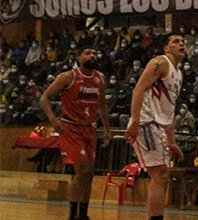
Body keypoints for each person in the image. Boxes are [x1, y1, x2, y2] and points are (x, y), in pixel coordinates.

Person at [40, 48, 112, 220]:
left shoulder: (100, 78)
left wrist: (107, 129)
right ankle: (72, 215)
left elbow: (102, 104)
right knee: (82, 170)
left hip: (88, 127)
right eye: (88, 53)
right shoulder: (68, 77)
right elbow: (45, 98)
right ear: (79, 58)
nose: (93, 56)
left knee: (89, 173)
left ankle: (83, 214)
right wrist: (53, 121)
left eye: (95, 53)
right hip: (70, 127)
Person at [124, 35, 186, 220]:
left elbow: (169, 109)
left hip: (158, 124)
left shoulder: (178, 74)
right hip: (145, 121)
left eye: (183, 41)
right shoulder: (160, 62)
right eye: (175, 41)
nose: (181, 44)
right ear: (166, 49)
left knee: (162, 175)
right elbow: (138, 89)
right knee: (160, 174)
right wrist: (135, 121)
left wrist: (172, 141)